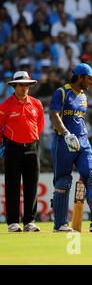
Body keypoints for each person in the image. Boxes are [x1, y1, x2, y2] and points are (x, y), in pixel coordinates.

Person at [49, 63, 92, 232]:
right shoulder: (62, 92)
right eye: (89, 78)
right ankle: (60, 224)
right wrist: (65, 133)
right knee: (63, 181)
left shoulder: (84, 96)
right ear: (80, 77)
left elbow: (79, 120)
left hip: (83, 142)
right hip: (63, 141)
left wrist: (83, 135)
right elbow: (53, 114)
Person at [0, 71, 44, 232]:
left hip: (32, 148)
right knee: (12, 185)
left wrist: (30, 138)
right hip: (12, 149)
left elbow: (39, 126)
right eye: (21, 84)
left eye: (27, 85)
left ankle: (29, 221)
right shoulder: (5, 105)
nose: (25, 87)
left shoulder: (37, 104)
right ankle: (12, 222)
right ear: (14, 86)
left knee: (32, 186)